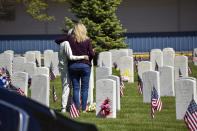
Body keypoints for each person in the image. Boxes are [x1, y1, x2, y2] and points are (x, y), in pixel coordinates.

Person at [56, 23, 95, 113]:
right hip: (85, 66)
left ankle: (76, 109)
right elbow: (92, 54)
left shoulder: (70, 38)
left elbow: (57, 40)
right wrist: (90, 59)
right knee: (85, 88)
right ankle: (84, 109)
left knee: (76, 88)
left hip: (73, 66)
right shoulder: (87, 40)